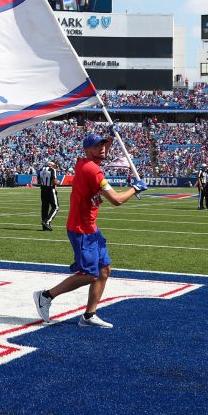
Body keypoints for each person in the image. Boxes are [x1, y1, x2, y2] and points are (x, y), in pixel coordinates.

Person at [33, 133, 147, 329]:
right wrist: (135, 188)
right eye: (97, 146)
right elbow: (117, 200)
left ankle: (89, 316)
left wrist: (111, 136)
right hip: (81, 229)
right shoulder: (93, 171)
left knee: (104, 270)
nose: (102, 148)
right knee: (90, 274)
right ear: (87, 150)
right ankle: (46, 296)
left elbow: (102, 152)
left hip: (90, 227)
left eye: (104, 144)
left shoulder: (84, 163)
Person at [38, 160, 60, 231]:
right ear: (51, 165)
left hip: (43, 190)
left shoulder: (41, 169)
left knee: (44, 208)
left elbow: (38, 181)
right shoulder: (52, 170)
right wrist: (58, 182)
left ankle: (45, 227)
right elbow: (54, 181)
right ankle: (46, 222)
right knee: (55, 207)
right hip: (50, 190)